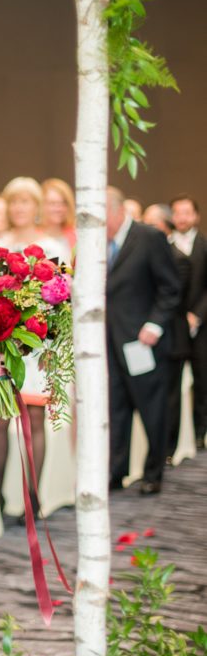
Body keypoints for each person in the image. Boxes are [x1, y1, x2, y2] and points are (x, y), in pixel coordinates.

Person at [0, 177, 70, 515]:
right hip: (1, 345)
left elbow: (63, 295)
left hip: (36, 345)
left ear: (36, 207)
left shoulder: (53, 246)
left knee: (35, 420)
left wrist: (46, 337)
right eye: (14, 201)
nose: (19, 208)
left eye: (26, 201)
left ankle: (33, 500)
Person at [106, 186, 181, 493]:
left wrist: (154, 325)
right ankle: (116, 472)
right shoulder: (97, 243)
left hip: (142, 342)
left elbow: (171, 288)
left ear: (117, 210)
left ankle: (153, 473)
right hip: (109, 342)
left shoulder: (149, 237)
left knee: (152, 409)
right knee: (116, 410)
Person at [169, 196, 207, 449]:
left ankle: (200, 437)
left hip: (203, 326)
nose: (182, 218)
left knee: (203, 382)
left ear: (196, 216)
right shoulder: (165, 246)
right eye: (177, 213)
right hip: (174, 326)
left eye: (187, 212)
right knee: (173, 387)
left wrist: (198, 314)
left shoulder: (204, 245)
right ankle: (171, 445)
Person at [41, 177, 76, 250]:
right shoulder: (32, 236)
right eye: (52, 203)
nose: (58, 209)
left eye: (63, 203)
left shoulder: (76, 235)